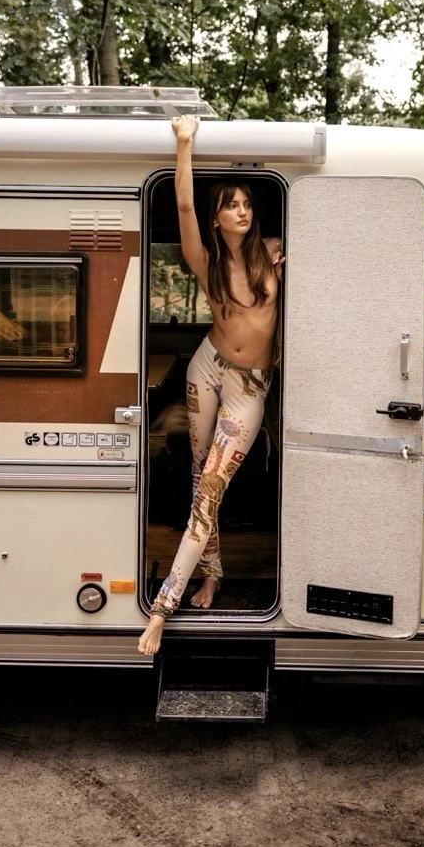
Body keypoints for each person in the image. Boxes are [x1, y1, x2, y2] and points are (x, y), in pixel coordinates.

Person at [138, 115, 284, 656]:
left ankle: (161, 609)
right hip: (207, 368)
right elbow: (180, 207)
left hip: (249, 386)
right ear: (217, 215)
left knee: (209, 492)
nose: (242, 211)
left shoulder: (272, 249)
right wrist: (184, 144)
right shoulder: (206, 261)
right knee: (200, 481)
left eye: (247, 203)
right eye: (231, 204)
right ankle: (211, 573)